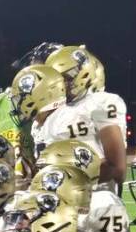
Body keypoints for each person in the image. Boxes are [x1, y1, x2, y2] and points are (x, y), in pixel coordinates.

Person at [43, 45, 127, 185]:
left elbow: (117, 169)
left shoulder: (101, 102)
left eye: (65, 78)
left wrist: (70, 179)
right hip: (66, 197)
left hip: (100, 196)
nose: (61, 85)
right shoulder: (53, 117)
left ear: (82, 72)